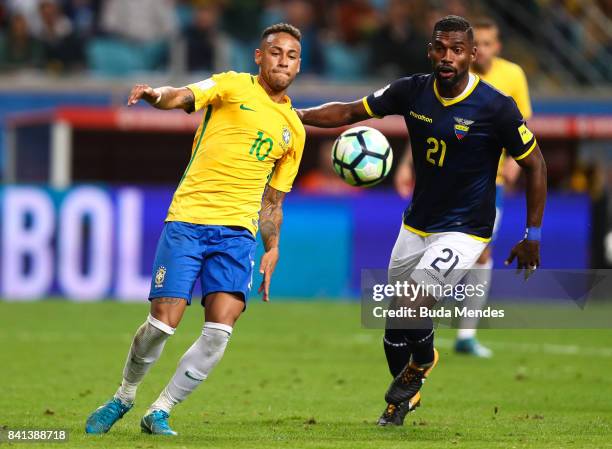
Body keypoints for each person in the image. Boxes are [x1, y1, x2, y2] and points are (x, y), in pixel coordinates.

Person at [298, 15, 547, 426]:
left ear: (472, 54)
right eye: (440, 48)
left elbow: (535, 165)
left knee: (413, 302)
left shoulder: (496, 106)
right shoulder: (411, 90)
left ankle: (424, 361)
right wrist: (294, 113)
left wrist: (531, 234)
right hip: (416, 224)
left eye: (457, 50)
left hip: (466, 229)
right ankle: (405, 399)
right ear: (430, 50)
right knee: (394, 326)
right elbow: (348, 110)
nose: (447, 57)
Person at [85, 23, 305, 436]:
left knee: (220, 329)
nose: (283, 61)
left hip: (237, 234)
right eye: (275, 52)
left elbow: (272, 201)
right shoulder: (231, 86)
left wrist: (272, 245)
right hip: (188, 221)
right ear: (259, 57)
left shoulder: (293, 129)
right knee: (163, 324)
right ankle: (123, 396)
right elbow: (183, 96)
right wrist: (155, 95)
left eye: (291, 55)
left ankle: (160, 410)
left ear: (299, 64)